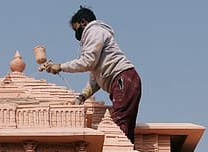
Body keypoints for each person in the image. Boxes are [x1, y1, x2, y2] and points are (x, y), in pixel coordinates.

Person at [41, 7, 142, 144]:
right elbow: (95, 79)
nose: (76, 34)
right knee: (124, 126)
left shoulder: (94, 31)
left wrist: (60, 67)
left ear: (83, 22)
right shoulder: (94, 36)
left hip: (123, 79)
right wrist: (81, 97)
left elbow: (87, 62)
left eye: (76, 28)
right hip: (124, 81)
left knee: (117, 125)